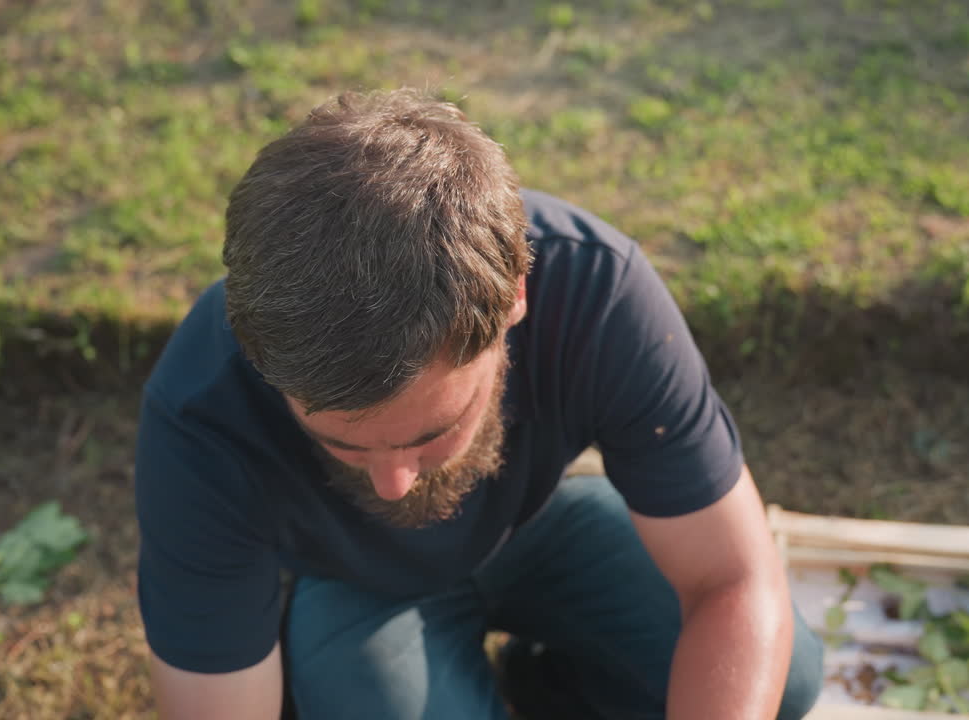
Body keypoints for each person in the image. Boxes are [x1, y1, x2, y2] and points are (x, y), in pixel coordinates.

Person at [134, 88, 823, 720]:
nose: (393, 483)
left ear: (516, 298)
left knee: (781, 676)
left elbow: (731, 581)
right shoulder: (199, 415)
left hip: (532, 525)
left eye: (433, 433)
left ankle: (546, 687)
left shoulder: (600, 293)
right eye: (343, 445)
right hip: (353, 584)